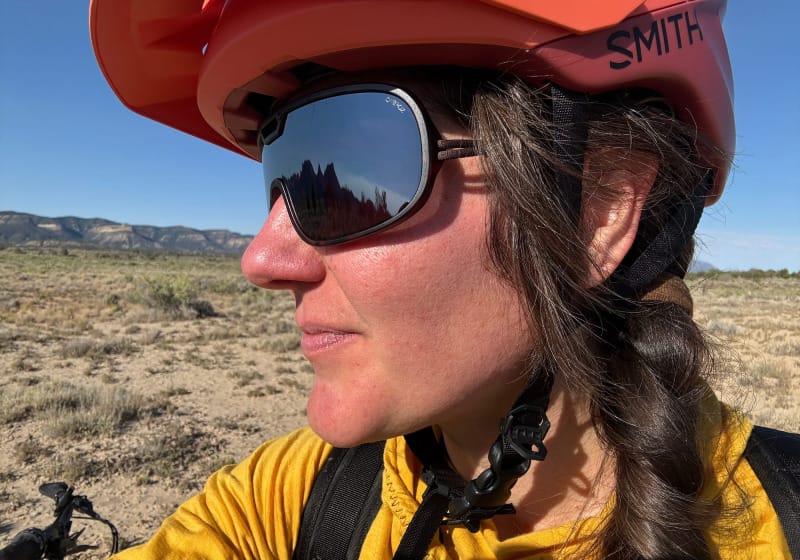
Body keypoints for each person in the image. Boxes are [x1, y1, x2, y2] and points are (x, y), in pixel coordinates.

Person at [89, 1, 796, 558]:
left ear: (600, 209)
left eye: (345, 182)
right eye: (284, 177)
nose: (264, 259)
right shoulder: (293, 497)